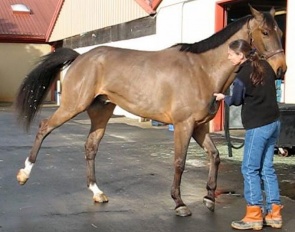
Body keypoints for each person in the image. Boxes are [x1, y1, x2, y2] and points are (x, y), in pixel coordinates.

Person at [214, 39, 283, 230]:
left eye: (230, 54)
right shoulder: (265, 66)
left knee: (250, 168)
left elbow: (236, 100)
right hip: (274, 122)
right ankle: (274, 214)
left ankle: (254, 215)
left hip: (258, 126)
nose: (228, 56)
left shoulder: (242, 75)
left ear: (240, 55)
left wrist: (223, 98)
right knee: (267, 168)